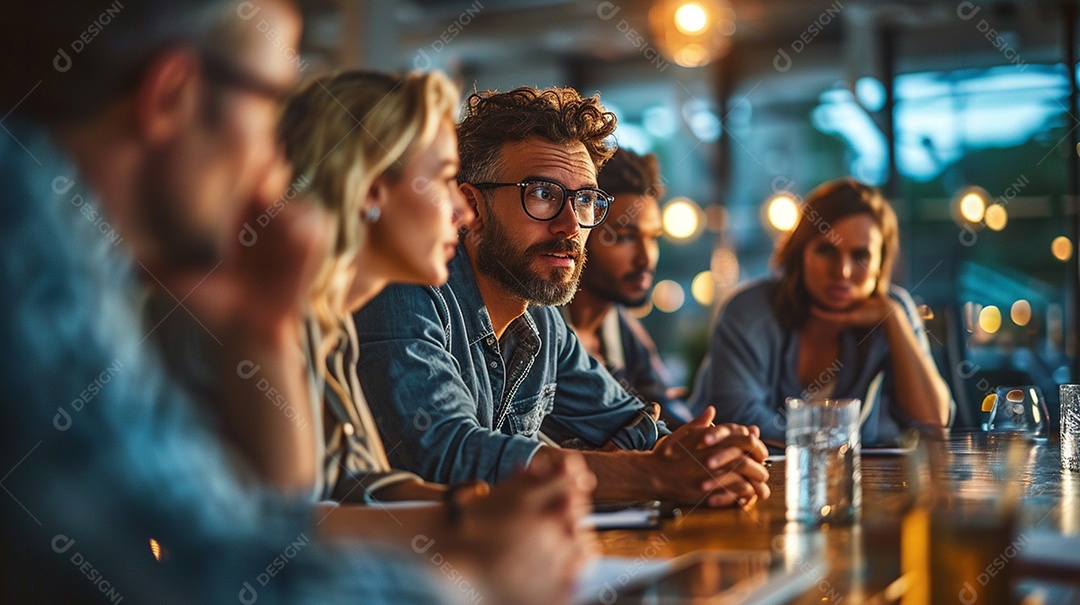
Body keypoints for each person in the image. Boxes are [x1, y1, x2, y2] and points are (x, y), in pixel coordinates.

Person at [1, 1, 514, 601]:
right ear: (172, 94)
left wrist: (262, 331)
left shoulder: (74, 246)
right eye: (275, 106)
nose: (281, 160)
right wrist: (483, 586)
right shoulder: (26, 247)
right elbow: (201, 570)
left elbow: (256, 533)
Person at [354, 86, 770, 507]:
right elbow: (443, 452)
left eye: (585, 199)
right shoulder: (406, 291)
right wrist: (650, 475)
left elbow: (631, 424)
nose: (570, 226)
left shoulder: (540, 317)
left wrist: (714, 459)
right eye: (542, 194)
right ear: (472, 206)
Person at [276, 68, 595, 604]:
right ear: (372, 189)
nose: (464, 210)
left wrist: (485, 512)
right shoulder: (273, 324)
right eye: (445, 178)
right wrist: (465, 519)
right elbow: (275, 538)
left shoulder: (328, 331)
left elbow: (361, 489)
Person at [688, 178, 952, 448]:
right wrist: (838, 444)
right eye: (826, 250)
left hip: (848, 483)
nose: (843, 272)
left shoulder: (893, 309)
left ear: (881, 262)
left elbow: (933, 421)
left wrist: (894, 319)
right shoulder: (748, 310)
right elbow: (739, 419)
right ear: (800, 251)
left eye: (861, 255)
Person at [562, 148, 692, 426]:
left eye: (653, 237)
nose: (646, 258)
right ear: (582, 232)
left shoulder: (624, 331)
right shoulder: (539, 333)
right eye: (624, 237)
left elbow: (667, 411)